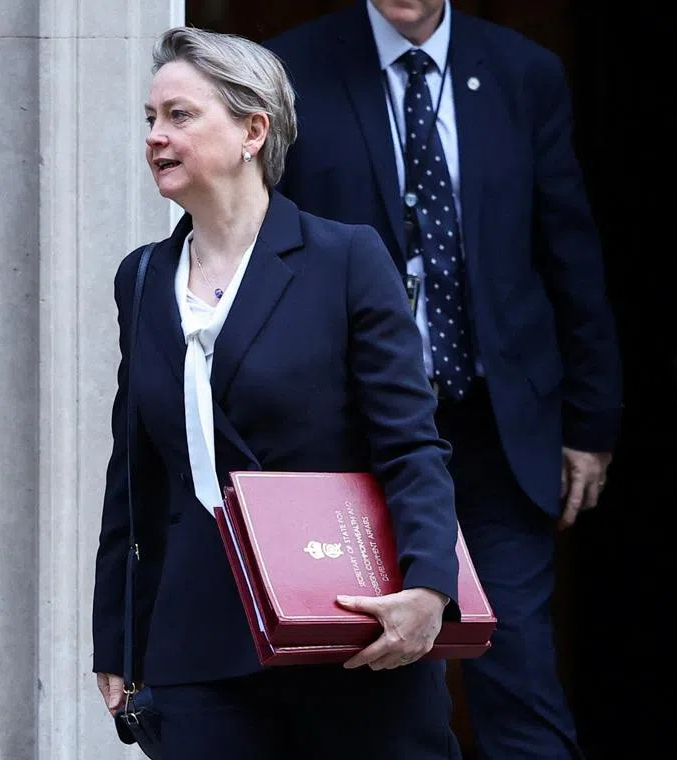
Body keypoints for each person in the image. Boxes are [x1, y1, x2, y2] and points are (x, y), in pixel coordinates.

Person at [92, 26, 465, 759]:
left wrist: (430, 587)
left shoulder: (346, 258)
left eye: (180, 115)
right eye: (151, 118)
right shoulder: (141, 278)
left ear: (253, 131)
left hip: (347, 624)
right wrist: (117, 637)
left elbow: (410, 443)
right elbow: (133, 476)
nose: (156, 136)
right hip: (198, 643)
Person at [264, 2, 623, 758]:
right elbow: (266, 246)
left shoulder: (523, 72)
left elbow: (568, 250)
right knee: (377, 676)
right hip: (354, 435)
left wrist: (589, 422)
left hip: (496, 427)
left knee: (518, 671)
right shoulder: (290, 70)